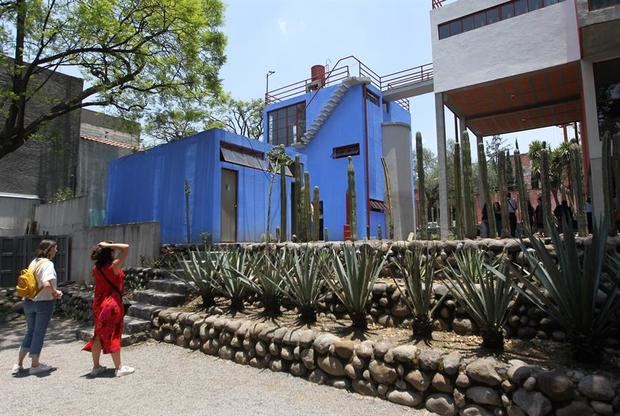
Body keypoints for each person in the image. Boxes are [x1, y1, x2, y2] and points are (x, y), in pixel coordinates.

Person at [83, 241, 134, 377]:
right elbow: (126, 248)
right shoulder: (114, 266)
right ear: (109, 252)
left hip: (99, 303)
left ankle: (96, 366)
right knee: (114, 334)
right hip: (111, 304)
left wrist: (105, 247)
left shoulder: (96, 268)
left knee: (98, 334)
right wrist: (108, 245)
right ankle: (119, 368)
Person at [12, 240, 63, 376]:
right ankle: (35, 365)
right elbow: (46, 283)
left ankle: (18, 364)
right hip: (43, 302)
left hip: (28, 301)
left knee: (30, 331)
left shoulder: (34, 262)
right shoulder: (48, 264)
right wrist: (56, 292)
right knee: (39, 333)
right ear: (49, 249)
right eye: (55, 248)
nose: (57, 251)